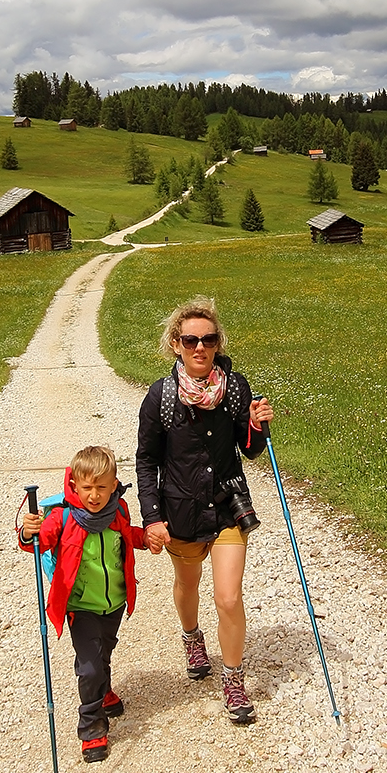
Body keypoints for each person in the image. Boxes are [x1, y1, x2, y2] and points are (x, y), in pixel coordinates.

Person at [135, 298, 273, 725]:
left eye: (208, 339)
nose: (200, 347)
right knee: (187, 583)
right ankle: (192, 637)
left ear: (217, 344)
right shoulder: (160, 396)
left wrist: (258, 424)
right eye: (191, 339)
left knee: (229, 597)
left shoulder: (234, 388)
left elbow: (249, 451)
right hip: (180, 509)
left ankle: (233, 680)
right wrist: (152, 516)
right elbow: (145, 460)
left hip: (229, 506)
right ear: (176, 344)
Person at [17, 446, 147, 763]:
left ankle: (103, 691)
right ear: (74, 485)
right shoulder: (63, 517)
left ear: (114, 485)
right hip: (80, 605)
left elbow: (127, 535)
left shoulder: (118, 512)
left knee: (103, 650)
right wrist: (27, 532)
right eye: (87, 487)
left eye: (102, 487)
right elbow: (38, 542)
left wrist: (147, 539)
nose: (94, 495)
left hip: (114, 601)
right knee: (89, 665)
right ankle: (92, 725)